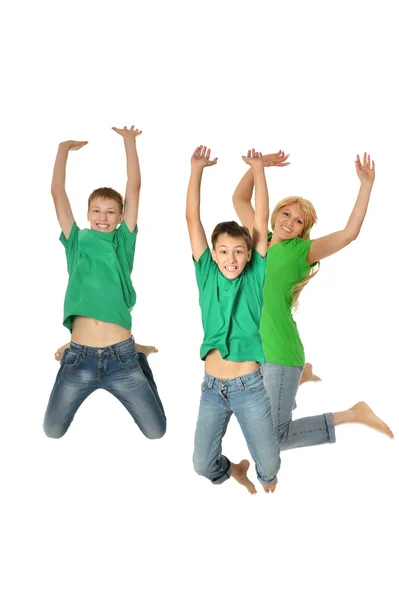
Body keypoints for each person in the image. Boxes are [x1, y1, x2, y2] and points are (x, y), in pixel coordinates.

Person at [233, 152, 393, 450]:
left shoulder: (300, 251)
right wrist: (261, 165)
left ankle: (353, 413)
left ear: (302, 230)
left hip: (279, 351)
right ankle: (300, 378)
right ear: (275, 212)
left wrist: (366, 185)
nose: (290, 222)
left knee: (274, 438)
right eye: (286, 214)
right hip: (257, 351)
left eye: (298, 221)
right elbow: (240, 199)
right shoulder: (259, 239)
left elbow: (348, 235)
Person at [43, 126, 166, 441]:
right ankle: (77, 347)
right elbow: (58, 193)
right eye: (96, 210)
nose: (103, 216)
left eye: (111, 212)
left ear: (120, 216)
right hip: (79, 357)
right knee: (52, 430)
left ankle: (138, 356)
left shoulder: (122, 242)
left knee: (156, 431)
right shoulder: (77, 241)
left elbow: (134, 187)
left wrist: (129, 142)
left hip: (120, 356)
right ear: (87, 214)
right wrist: (62, 150)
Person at [187, 145, 280, 495]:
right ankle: (231, 470)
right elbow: (192, 220)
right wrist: (196, 170)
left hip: (249, 387)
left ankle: (264, 478)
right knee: (201, 464)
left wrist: (259, 170)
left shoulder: (254, 275)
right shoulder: (206, 274)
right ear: (213, 254)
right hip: (212, 387)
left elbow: (259, 222)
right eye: (224, 251)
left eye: (239, 251)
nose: (231, 258)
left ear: (248, 254)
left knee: (269, 469)